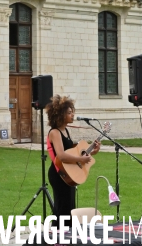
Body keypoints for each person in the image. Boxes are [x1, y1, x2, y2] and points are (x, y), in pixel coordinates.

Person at [45, 95, 100, 224]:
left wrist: (94, 150)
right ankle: (58, 239)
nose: (72, 114)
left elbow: (74, 153)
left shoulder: (66, 131)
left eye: (72, 112)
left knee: (70, 209)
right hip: (59, 174)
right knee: (62, 208)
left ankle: (68, 237)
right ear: (60, 115)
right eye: (69, 113)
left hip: (69, 173)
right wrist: (81, 159)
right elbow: (62, 156)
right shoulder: (55, 132)